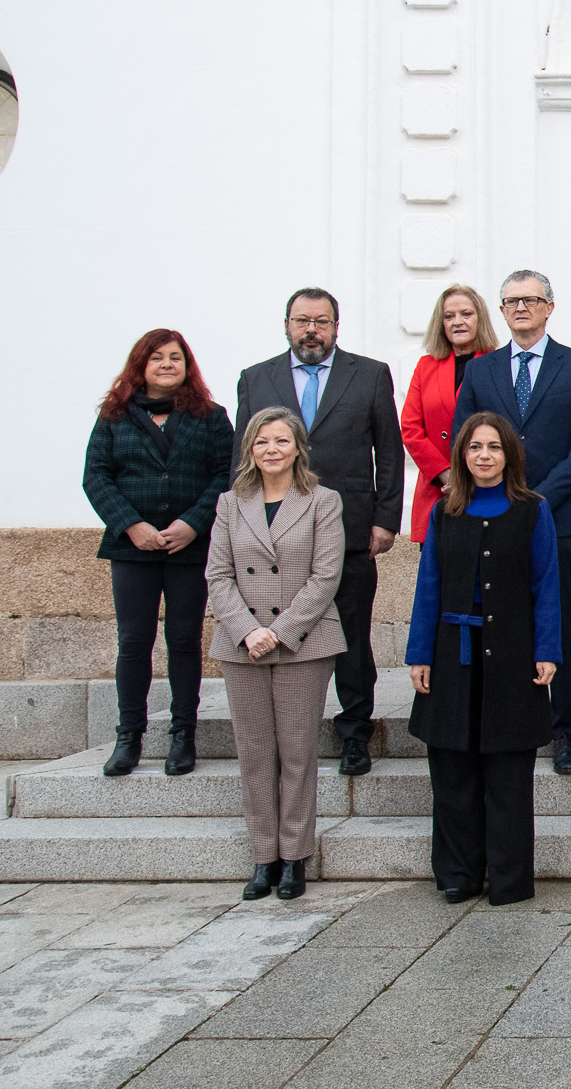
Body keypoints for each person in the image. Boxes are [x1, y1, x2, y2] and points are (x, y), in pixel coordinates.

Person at [235, 288, 403, 778]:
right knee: (283, 635)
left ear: (336, 326)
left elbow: (389, 452)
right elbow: (240, 459)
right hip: (274, 536)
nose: (312, 330)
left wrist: (385, 518)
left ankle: (355, 734)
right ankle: (287, 738)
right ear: (286, 324)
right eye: (303, 320)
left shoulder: (369, 375)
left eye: (322, 321)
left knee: (351, 637)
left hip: (350, 530)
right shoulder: (255, 378)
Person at [453, 269, 571, 776]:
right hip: (491, 519)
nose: (521, 308)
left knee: (557, 621)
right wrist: (502, 498)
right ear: (501, 311)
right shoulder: (480, 372)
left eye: (531, 300)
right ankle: (506, 720)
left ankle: (564, 730)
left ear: (549, 307)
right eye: (511, 301)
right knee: (499, 618)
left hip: (556, 516)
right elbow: (465, 442)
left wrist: (536, 500)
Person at [404, 411, 558, 905]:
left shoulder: (533, 510)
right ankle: (457, 873)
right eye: (474, 448)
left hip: (513, 656)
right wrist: (419, 653)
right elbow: (428, 586)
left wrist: (547, 650)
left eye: (493, 447)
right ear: (462, 456)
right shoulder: (444, 513)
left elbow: (546, 586)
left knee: (508, 775)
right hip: (452, 656)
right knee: (452, 773)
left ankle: (509, 879)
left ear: (508, 455)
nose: (484, 456)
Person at [205, 408, 344, 903]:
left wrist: (279, 631)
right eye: (262, 441)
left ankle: (293, 857)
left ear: (297, 448)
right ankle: (263, 857)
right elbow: (218, 576)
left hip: (303, 644)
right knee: (255, 754)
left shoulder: (322, 501)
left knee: (298, 753)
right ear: (250, 449)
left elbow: (325, 577)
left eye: (281, 441)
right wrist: (248, 631)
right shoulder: (229, 504)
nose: (271, 449)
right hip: (242, 647)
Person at [83, 329, 234, 778]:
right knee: (133, 642)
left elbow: (225, 475)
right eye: (157, 358)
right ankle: (128, 737)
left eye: (176, 357)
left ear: (188, 367)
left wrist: (192, 523)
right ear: (140, 366)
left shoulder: (211, 417)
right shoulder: (114, 416)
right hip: (133, 550)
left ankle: (182, 736)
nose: (167, 364)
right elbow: (96, 477)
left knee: (185, 642)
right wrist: (132, 526)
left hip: (190, 548)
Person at [400, 284, 499, 543]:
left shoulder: (498, 364)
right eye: (449, 316)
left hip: (485, 488)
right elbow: (410, 429)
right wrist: (447, 474)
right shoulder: (426, 366)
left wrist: (471, 476)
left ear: (480, 319)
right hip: (438, 489)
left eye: (466, 314)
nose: (458, 322)